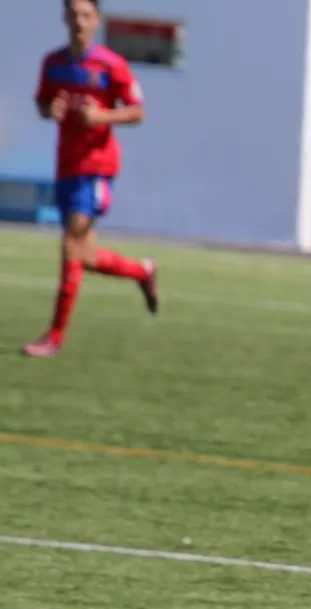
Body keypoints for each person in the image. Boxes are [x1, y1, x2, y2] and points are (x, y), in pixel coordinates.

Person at [25, 0, 158, 359]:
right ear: (64, 17)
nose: (79, 22)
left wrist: (102, 117)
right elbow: (41, 103)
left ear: (96, 19)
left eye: (86, 15)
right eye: (74, 15)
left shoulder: (112, 65)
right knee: (83, 254)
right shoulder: (53, 64)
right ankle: (142, 272)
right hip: (66, 166)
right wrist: (47, 110)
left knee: (70, 244)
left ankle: (54, 337)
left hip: (98, 167)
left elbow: (138, 112)